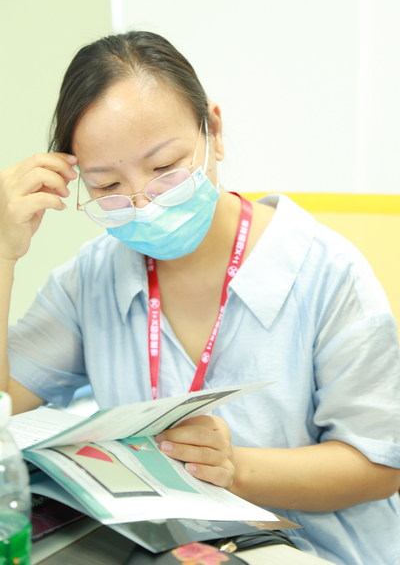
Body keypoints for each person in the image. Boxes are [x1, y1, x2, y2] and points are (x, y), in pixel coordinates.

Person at [0, 30, 399, 565]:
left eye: (166, 167)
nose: (142, 203)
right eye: (107, 186)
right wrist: (3, 254)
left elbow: (380, 465)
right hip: (175, 550)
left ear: (214, 130)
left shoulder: (326, 272)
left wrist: (237, 468)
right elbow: (3, 399)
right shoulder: (92, 277)